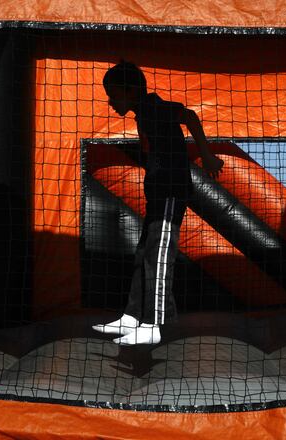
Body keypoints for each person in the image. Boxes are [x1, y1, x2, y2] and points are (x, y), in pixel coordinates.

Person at [93, 61, 224, 345]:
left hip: (171, 191)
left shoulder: (154, 107)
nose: (111, 101)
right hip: (158, 192)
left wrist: (207, 156)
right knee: (144, 253)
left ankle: (154, 324)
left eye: (113, 94)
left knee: (160, 255)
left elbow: (189, 116)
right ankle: (132, 315)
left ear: (130, 91)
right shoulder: (143, 114)